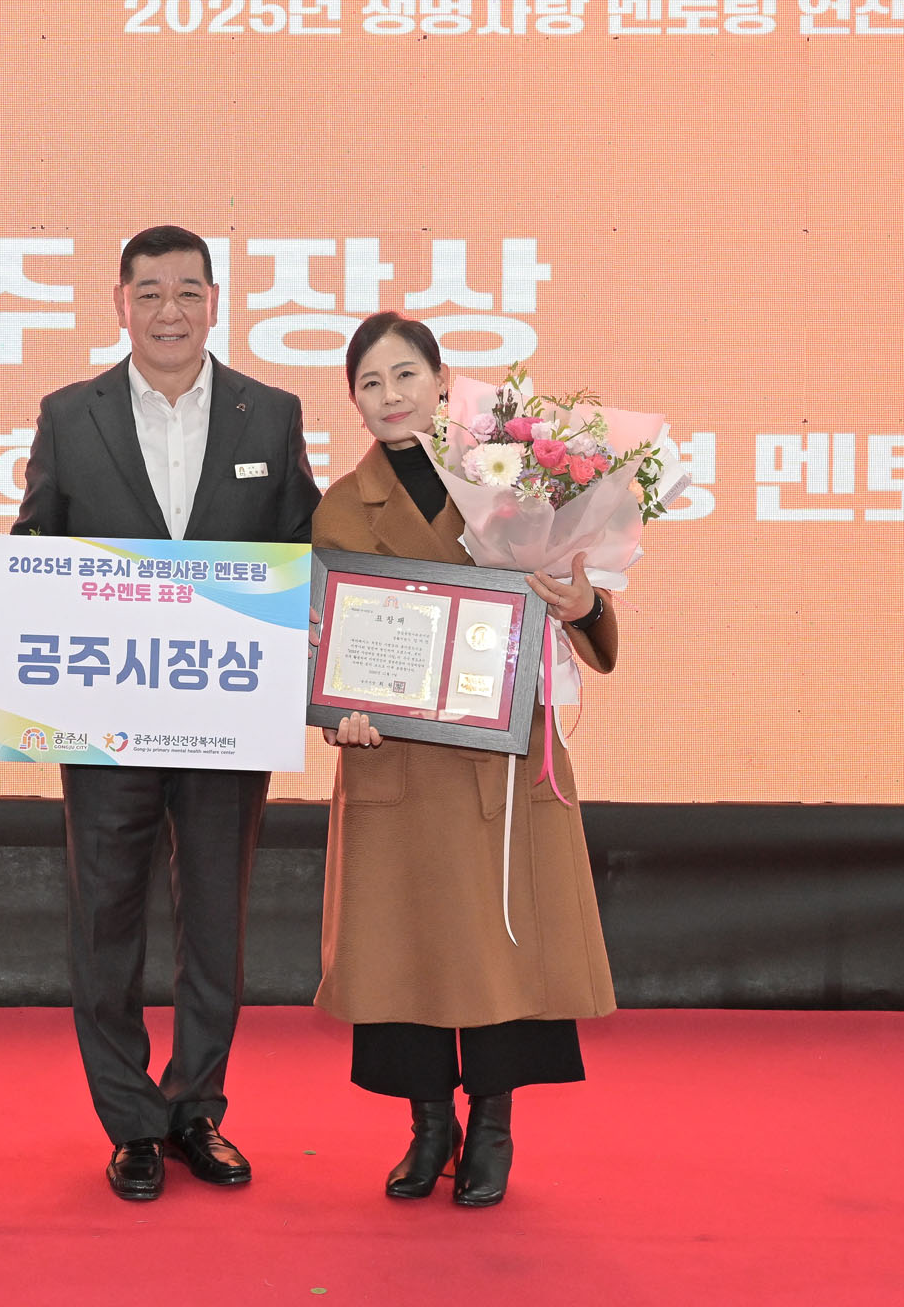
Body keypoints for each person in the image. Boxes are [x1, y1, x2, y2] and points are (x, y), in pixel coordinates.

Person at [14, 224, 321, 1201]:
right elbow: (35, 547)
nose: (169, 311)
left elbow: (306, 548)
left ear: (215, 302)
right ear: (120, 303)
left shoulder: (271, 415)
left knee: (215, 920)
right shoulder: (71, 415)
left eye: (188, 291)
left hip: (228, 710)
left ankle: (195, 1109)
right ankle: (131, 1123)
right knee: (104, 918)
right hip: (104, 716)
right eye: (149, 292)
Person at [312, 311, 618, 1208]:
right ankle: (427, 1125)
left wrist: (580, 602)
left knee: (502, 946)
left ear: (443, 382)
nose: (391, 395)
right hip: (397, 763)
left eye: (406, 375)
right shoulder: (340, 506)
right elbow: (328, 642)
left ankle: (492, 1125)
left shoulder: (514, 480)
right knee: (404, 947)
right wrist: (338, 714)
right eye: (370, 383)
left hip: (502, 761)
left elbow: (585, 616)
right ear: (354, 402)